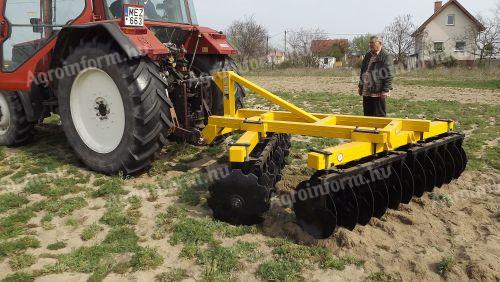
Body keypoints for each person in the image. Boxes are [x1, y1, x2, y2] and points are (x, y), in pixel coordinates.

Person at [358, 36, 394, 117]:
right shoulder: (367, 55)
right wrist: (360, 86)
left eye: (372, 42)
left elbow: (389, 74)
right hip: (366, 89)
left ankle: (379, 130)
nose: (370, 44)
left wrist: (385, 90)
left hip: (378, 91)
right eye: (369, 42)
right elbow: (363, 72)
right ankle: (368, 129)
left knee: (379, 115)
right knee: (367, 114)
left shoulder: (386, 56)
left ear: (380, 43)